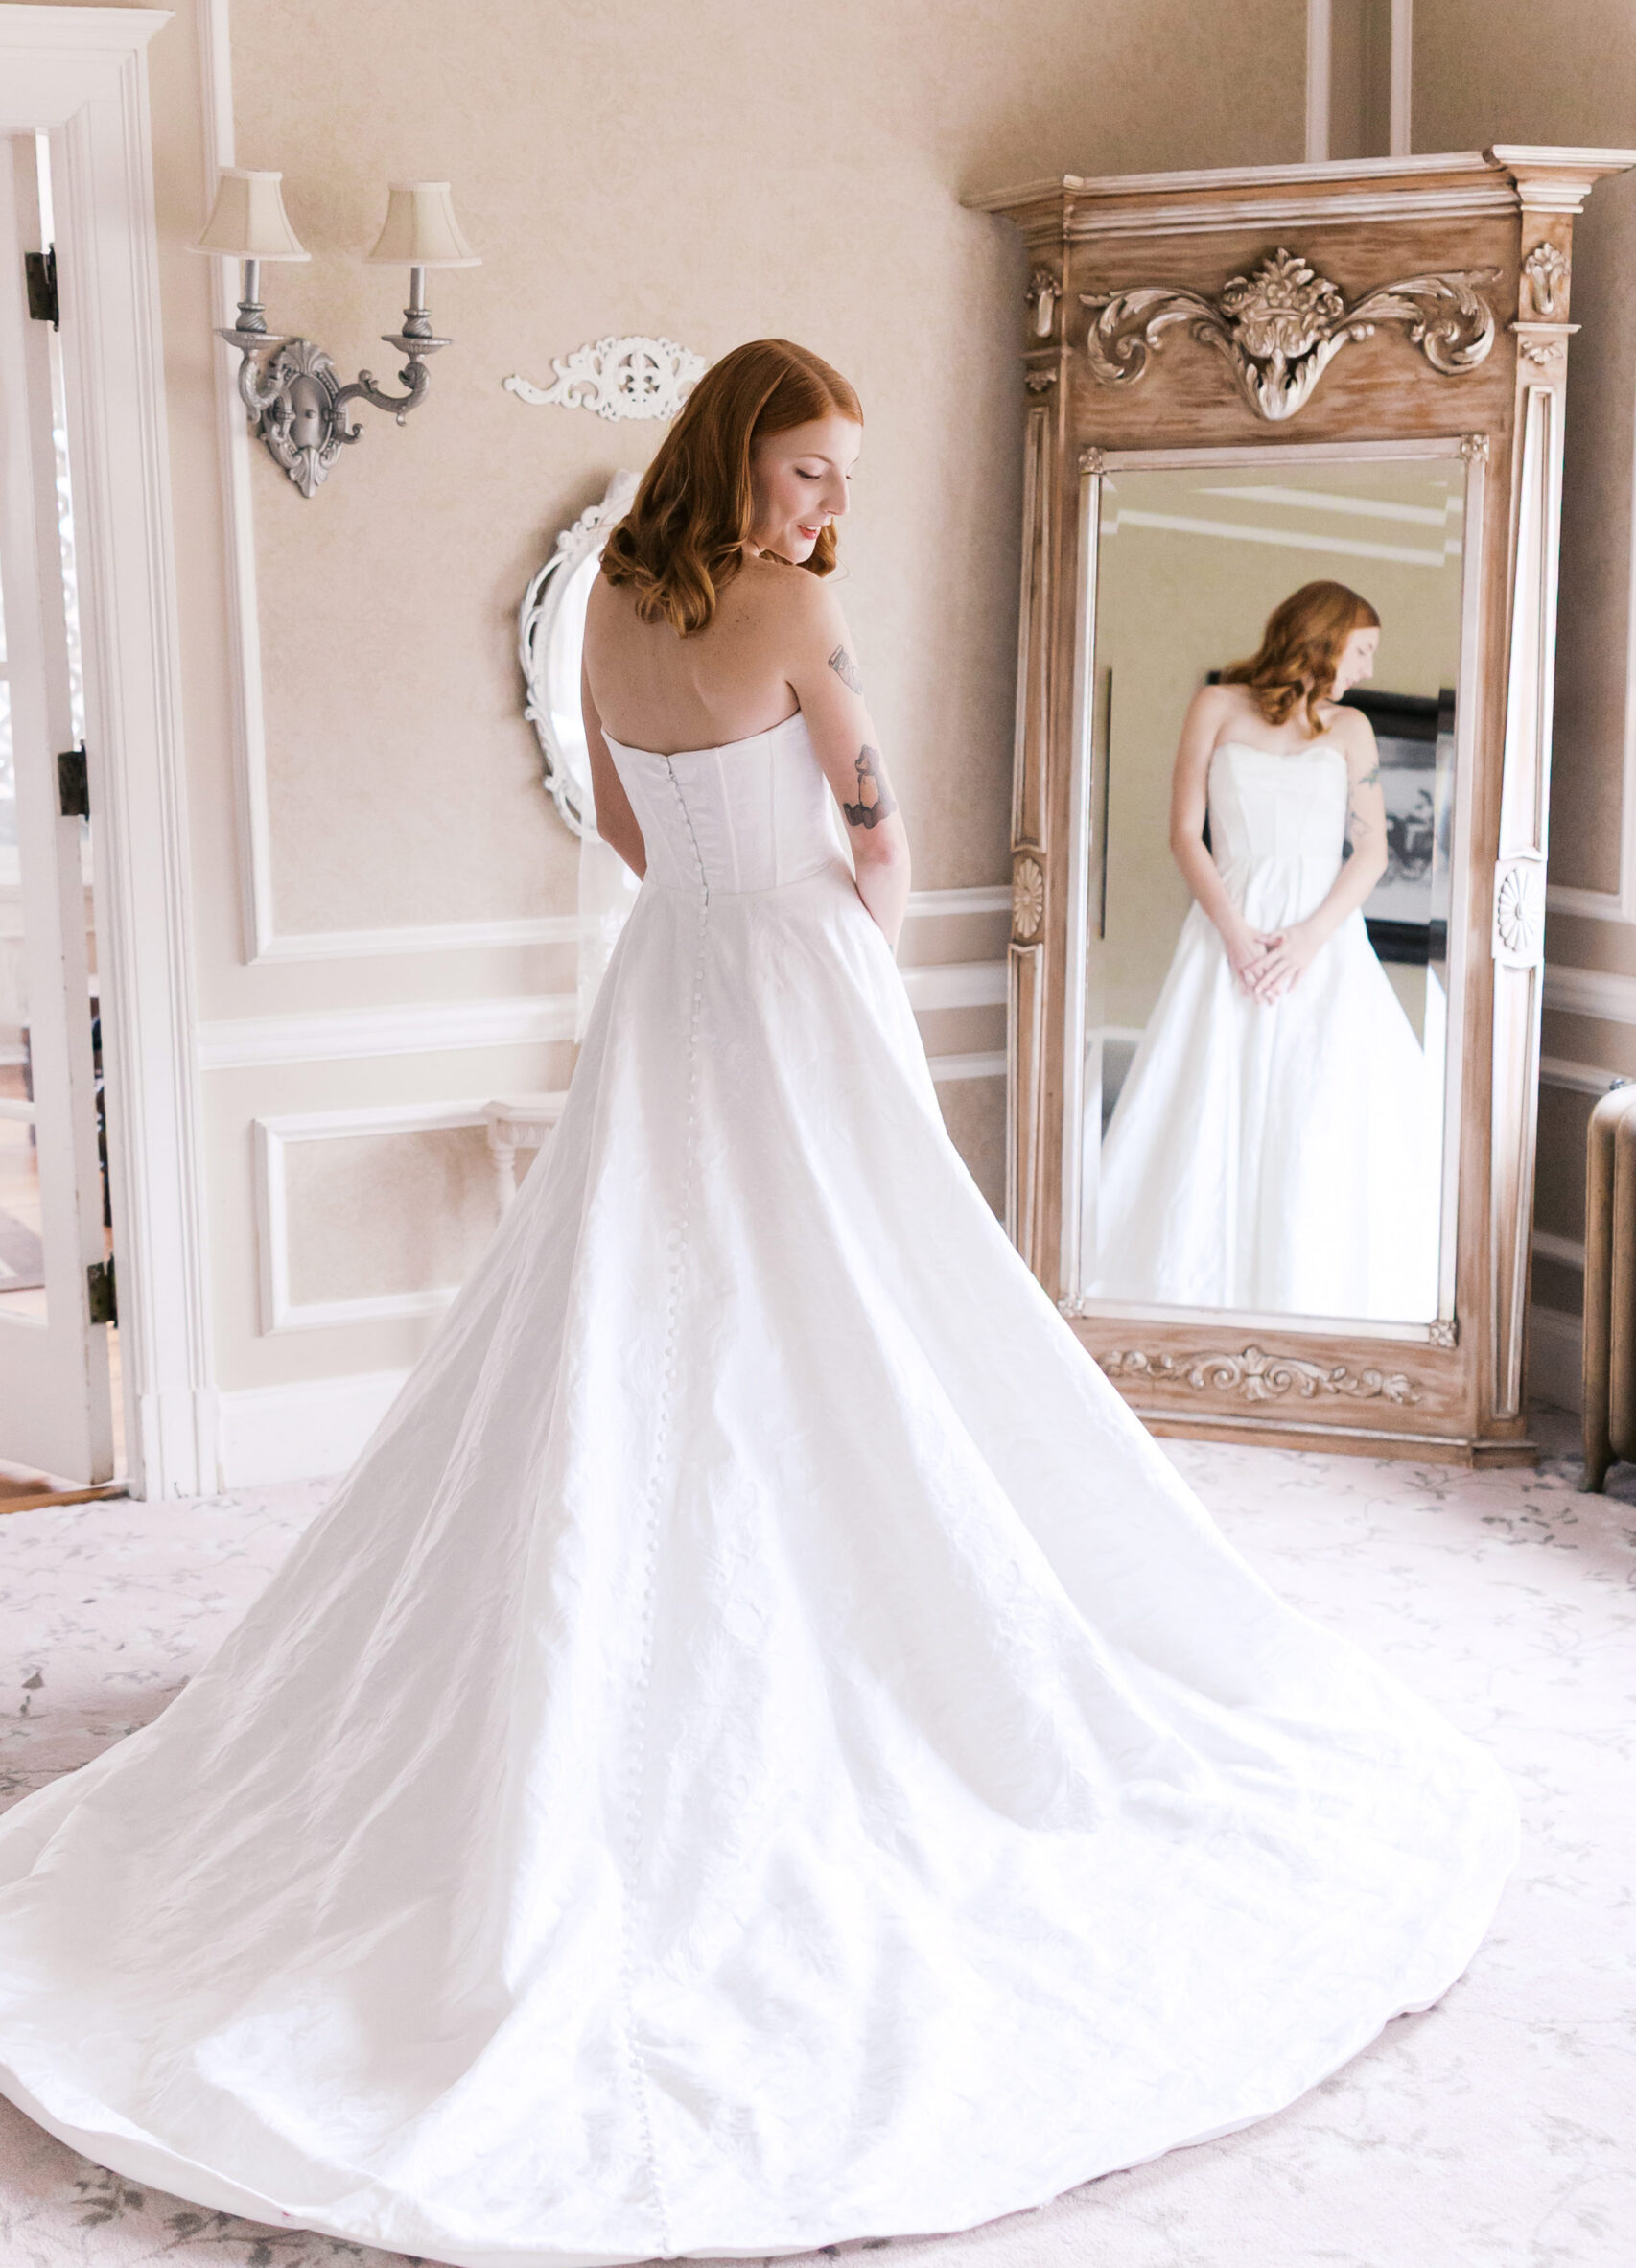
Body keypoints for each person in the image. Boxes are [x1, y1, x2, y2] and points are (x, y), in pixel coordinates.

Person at [0, 351, 1513, 2268]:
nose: (822, 507)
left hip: (672, 974)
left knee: (645, 1302)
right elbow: (877, 832)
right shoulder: (786, 600)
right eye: (809, 468)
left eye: (837, 478)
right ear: (743, 449)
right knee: (856, 1298)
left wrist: (736, 897)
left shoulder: (620, 601)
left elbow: (630, 835)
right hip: (792, 971)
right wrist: (848, 926)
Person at [1087, 581, 1444, 1321]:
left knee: (1317, 1112)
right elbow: (1186, 833)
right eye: (1364, 649)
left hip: (1323, 944)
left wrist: (1309, 940)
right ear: (1324, 636)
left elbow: (1373, 851)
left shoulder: (1351, 730)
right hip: (1227, 934)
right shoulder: (1217, 706)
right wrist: (1236, 936)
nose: (1370, 669)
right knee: (1207, 1106)